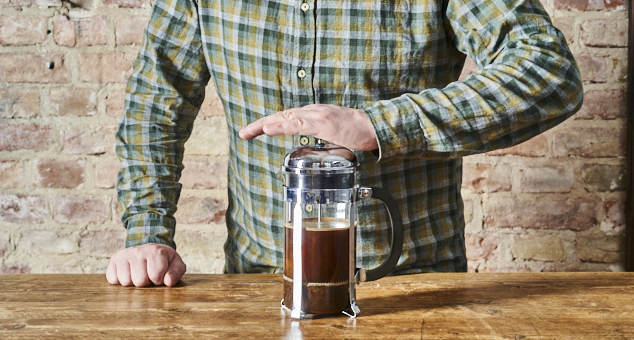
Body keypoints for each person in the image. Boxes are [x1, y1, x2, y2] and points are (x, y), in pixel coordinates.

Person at [106, 0, 583, 287]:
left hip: (413, 290)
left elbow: (548, 71)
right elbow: (157, 103)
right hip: (260, 285)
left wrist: (377, 125)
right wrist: (148, 233)